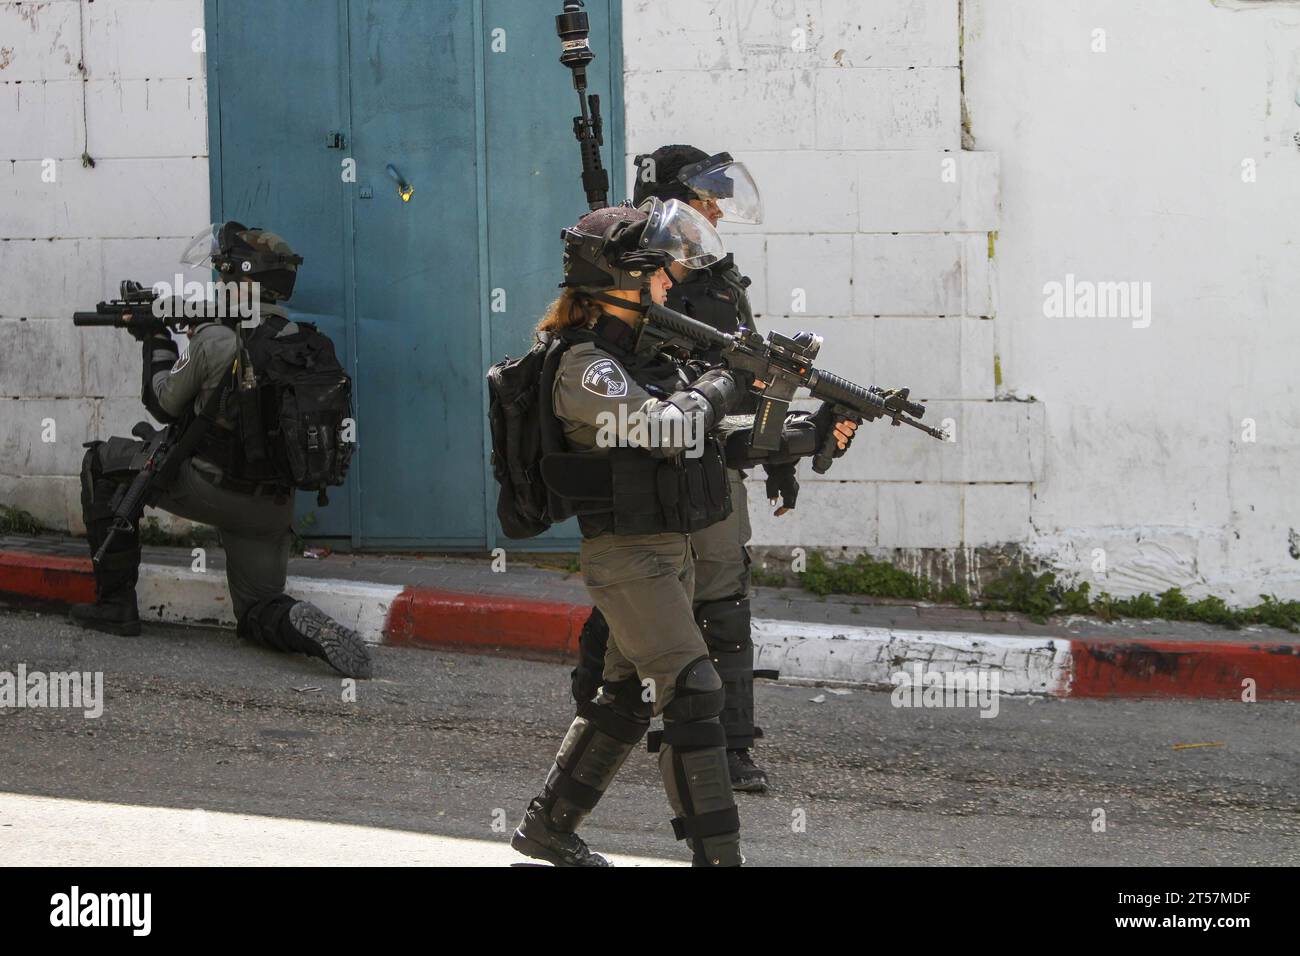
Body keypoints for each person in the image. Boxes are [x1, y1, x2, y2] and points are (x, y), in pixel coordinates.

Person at [512, 200, 855, 866]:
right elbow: (665, 428)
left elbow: (708, 440)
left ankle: (547, 827)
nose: (672, 284)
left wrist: (811, 433)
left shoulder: (645, 360)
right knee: (693, 691)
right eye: (661, 273)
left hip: (670, 552)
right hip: (630, 558)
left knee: (624, 696)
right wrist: (730, 377)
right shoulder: (588, 367)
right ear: (623, 278)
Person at [569, 145, 820, 792]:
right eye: (705, 197)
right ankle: (603, 728)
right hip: (650, 470)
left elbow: (750, 378)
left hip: (713, 462)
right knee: (641, 609)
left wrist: (778, 452)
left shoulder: (716, 278)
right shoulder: (629, 280)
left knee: (724, 602)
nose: (717, 209)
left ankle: (729, 749)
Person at [69, 222, 372, 680]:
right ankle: (299, 627)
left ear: (243, 281)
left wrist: (156, 340)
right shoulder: (303, 341)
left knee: (102, 463)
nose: (219, 283)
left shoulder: (216, 338)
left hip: (211, 488)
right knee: (257, 610)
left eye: (224, 275)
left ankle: (115, 607)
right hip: (271, 507)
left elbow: (163, 403)